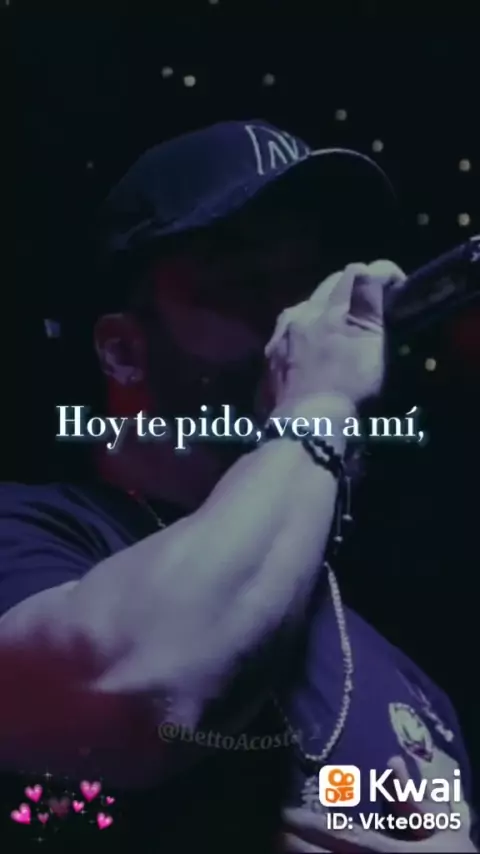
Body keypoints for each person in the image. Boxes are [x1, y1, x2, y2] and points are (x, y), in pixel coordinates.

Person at [0, 120, 477, 852]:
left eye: (312, 287)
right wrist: (317, 405)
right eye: (249, 286)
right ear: (123, 350)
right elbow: (133, 699)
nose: (298, 327)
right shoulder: (30, 539)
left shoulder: (413, 686)